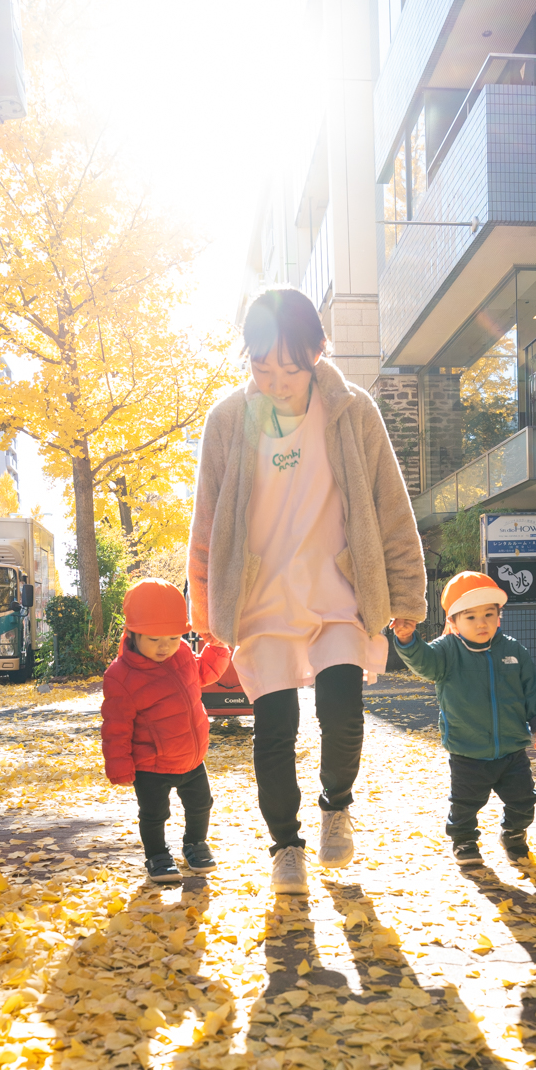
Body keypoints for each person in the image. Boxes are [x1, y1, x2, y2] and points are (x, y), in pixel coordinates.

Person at [188, 287, 426, 895]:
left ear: (318, 353)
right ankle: (285, 847)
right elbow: (208, 520)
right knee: (274, 729)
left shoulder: (353, 411)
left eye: (289, 369)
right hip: (261, 599)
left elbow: (390, 506)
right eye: (261, 367)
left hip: (339, 591)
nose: (275, 382)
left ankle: (335, 804)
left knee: (343, 715)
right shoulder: (227, 420)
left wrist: (407, 595)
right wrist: (205, 606)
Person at [391, 571, 536, 868]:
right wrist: (407, 640)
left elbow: (532, 688)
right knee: (465, 805)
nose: (482, 623)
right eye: (470, 617)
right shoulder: (446, 651)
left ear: (499, 618)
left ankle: (514, 834)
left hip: (511, 749)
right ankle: (464, 839)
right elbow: (424, 664)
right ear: (452, 622)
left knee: (525, 801)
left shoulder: (514, 651)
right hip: (467, 749)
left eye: (489, 615)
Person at [100, 579, 230, 884]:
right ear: (132, 634)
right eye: (155, 639)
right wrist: (119, 765)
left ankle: (195, 844)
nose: (165, 646)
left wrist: (218, 648)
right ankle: (157, 854)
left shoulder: (182, 653)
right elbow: (115, 727)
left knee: (201, 804)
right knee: (155, 814)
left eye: (173, 637)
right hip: (151, 765)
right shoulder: (120, 676)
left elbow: (203, 674)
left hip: (192, 757)